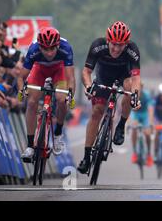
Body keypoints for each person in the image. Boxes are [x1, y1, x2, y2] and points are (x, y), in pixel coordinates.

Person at [77, 21, 141, 174]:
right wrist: (88, 86)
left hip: (124, 76)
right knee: (96, 112)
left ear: (126, 44)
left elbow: (136, 79)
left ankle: (120, 126)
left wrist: (135, 96)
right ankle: (86, 158)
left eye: (121, 45)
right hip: (103, 77)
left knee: (128, 89)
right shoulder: (97, 46)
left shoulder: (133, 50)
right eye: (113, 44)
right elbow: (86, 72)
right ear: (108, 40)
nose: (116, 49)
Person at [19, 27, 76, 162]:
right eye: (45, 49)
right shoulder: (33, 49)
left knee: (62, 100)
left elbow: (71, 78)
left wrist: (70, 94)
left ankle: (57, 134)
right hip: (39, 70)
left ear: (57, 45)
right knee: (32, 102)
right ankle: (30, 145)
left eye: (52, 49)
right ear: (40, 46)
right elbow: (21, 77)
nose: (49, 53)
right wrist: (22, 91)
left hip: (59, 71)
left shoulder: (66, 48)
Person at [130, 81, 154, 167]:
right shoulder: (132, 94)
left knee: (147, 134)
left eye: (140, 87)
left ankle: (148, 154)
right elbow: (128, 109)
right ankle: (135, 153)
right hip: (135, 114)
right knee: (134, 129)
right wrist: (129, 123)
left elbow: (150, 109)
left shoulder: (146, 95)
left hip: (144, 114)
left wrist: (150, 122)